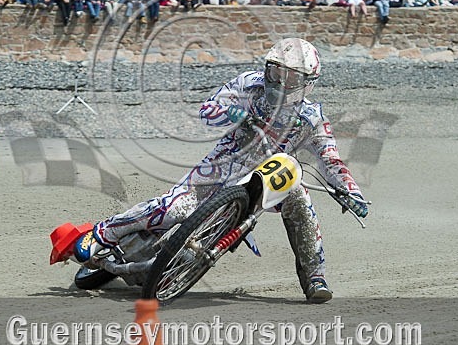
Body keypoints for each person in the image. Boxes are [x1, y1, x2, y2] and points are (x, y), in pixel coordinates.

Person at [71, 38, 368, 303]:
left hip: (269, 175)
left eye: (289, 76)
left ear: (307, 82)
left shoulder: (311, 119)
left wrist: (351, 191)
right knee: (174, 208)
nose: (279, 80)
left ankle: (315, 276)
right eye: (275, 71)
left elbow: (331, 159)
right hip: (222, 165)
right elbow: (207, 109)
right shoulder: (250, 85)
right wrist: (232, 112)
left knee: (301, 200)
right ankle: (104, 233)